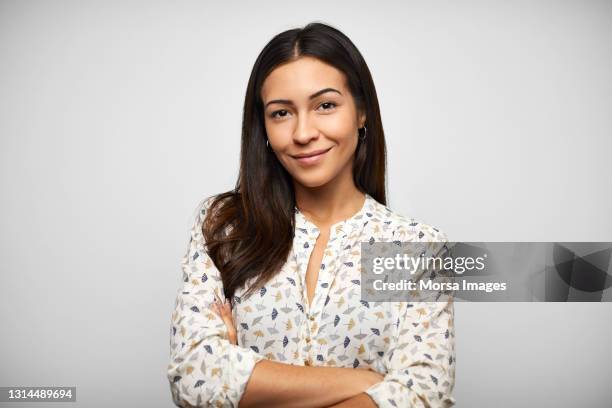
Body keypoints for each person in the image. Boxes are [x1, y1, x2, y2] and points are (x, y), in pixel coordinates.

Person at [167, 22, 456, 408]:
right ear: (264, 127)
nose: (303, 132)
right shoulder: (224, 225)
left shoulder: (415, 247)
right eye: (282, 113)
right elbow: (195, 376)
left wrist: (249, 382)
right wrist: (367, 382)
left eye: (325, 105)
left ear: (361, 112)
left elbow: (422, 394)